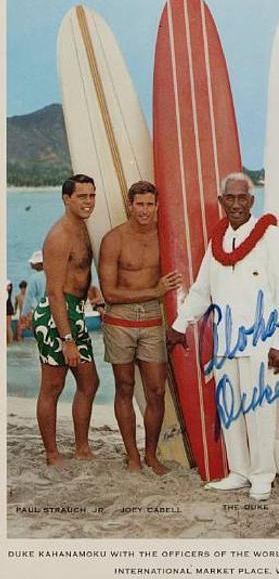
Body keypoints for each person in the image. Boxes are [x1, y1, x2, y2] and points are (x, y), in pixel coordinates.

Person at [166, 172, 279, 501]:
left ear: (252, 201)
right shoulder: (217, 240)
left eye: (243, 198)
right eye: (230, 198)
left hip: (261, 342)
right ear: (221, 201)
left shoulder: (271, 237)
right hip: (225, 341)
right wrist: (180, 324)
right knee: (232, 408)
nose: (236, 204)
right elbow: (201, 290)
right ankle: (239, 471)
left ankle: (263, 475)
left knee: (260, 411)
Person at [98, 181, 182, 475]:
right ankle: (132, 454)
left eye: (150, 204)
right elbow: (109, 293)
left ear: (157, 206)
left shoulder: (166, 238)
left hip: (151, 318)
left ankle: (151, 454)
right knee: (124, 386)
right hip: (119, 319)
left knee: (156, 391)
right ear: (129, 206)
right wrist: (155, 291)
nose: (145, 210)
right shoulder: (114, 239)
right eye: (139, 204)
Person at [33, 174, 99, 468]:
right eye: (82, 196)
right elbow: (54, 292)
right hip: (55, 315)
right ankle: (51, 454)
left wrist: (93, 293)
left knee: (90, 382)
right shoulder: (59, 235)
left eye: (91, 196)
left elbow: (80, 273)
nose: (88, 202)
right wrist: (67, 339)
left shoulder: (82, 227)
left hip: (76, 311)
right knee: (52, 387)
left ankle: (82, 448)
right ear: (66, 199)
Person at [20, 250, 46, 332]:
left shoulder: (33, 278)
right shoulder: (52, 275)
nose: (31, 263)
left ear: (39, 264)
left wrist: (24, 315)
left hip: (41, 312)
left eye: (33, 262)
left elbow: (28, 298)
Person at [6, 281, 14, 345]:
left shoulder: (8, 284)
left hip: (8, 308)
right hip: (8, 307)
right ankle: (9, 342)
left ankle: (10, 342)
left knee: (8, 326)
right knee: (8, 326)